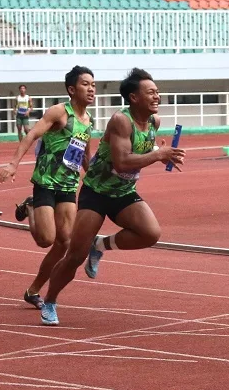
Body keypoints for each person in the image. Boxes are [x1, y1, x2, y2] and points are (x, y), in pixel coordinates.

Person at [38, 68, 186, 326]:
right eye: (150, 92)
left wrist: (158, 151)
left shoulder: (154, 122)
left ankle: (100, 246)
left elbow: (138, 150)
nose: (157, 97)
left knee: (150, 233)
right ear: (134, 97)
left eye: (158, 92)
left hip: (123, 192)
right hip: (96, 192)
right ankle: (50, 300)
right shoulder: (121, 120)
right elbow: (122, 160)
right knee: (74, 256)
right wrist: (158, 154)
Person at [0, 67, 95, 309]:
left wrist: (93, 176)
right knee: (46, 239)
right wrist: (13, 164)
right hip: (46, 182)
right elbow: (31, 135)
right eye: (85, 84)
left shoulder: (88, 120)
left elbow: (84, 154)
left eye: (93, 84)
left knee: (64, 242)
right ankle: (31, 205)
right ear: (72, 89)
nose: (91, 88)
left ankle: (33, 291)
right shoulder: (59, 112)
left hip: (68, 185)